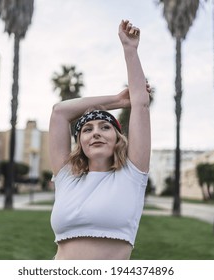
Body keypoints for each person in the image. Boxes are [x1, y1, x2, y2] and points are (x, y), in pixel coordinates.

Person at [49, 20, 151, 260]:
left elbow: (141, 103)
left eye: (105, 127)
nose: (95, 132)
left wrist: (130, 50)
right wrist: (116, 100)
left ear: (118, 139)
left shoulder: (132, 175)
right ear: (80, 142)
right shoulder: (66, 177)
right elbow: (59, 112)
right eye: (86, 129)